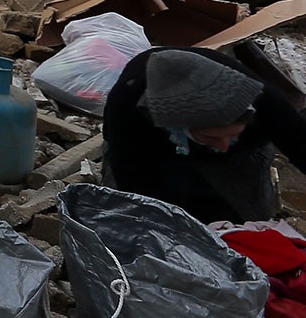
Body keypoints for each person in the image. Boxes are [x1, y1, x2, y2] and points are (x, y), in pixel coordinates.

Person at [102, 46, 306, 224]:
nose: (224, 145)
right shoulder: (126, 111)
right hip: (156, 155)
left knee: (244, 219)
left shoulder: (265, 100)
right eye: (212, 137)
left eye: (233, 135)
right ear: (177, 127)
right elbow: (136, 183)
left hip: (240, 153)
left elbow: (301, 144)